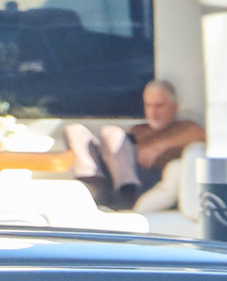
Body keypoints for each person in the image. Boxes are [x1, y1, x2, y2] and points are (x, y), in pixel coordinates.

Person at [64, 79, 205, 211]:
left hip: (144, 180)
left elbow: (202, 135)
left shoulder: (184, 127)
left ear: (174, 107)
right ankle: (92, 187)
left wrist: (158, 147)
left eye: (159, 106)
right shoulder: (139, 129)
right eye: (148, 105)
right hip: (112, 179)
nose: (153, 113)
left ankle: (127, 194)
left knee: (111, 132)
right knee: (74, 131)